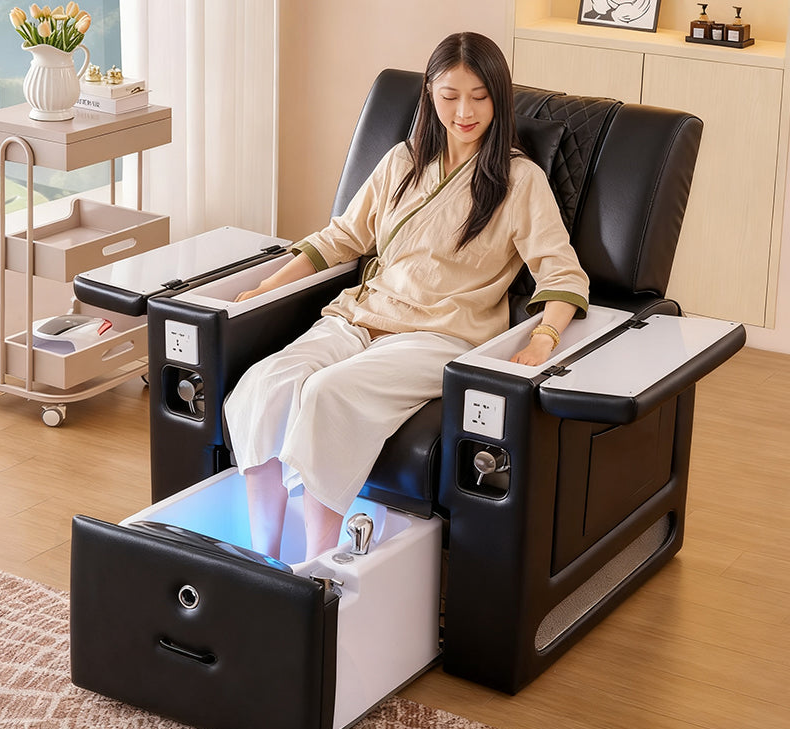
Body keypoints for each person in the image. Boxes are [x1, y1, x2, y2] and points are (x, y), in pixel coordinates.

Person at [224, 31, 589, 561]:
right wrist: (266, 287)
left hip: (438, 336)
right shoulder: (403, 161)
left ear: (499, 98)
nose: (464, 112)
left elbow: (564, 274)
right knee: (265, 383)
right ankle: (263, 560)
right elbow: (341, 237)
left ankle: (316, 572)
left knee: (328, 393)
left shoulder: (519, 180)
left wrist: (543, 339)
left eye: (480, 97)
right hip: (360, 316)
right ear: (429, 94)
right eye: (450, 96)